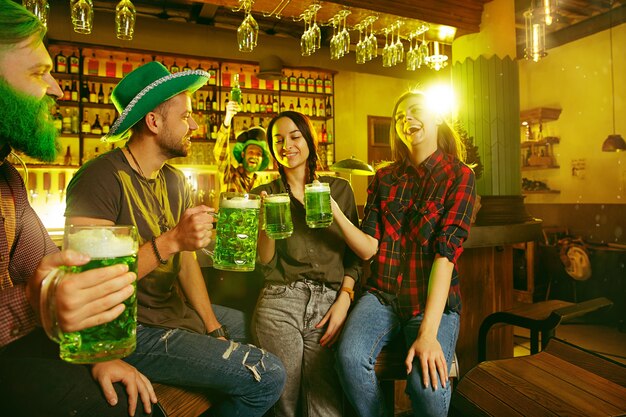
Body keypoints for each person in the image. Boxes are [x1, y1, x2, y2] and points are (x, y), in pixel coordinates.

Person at [64, 61, 286, 417]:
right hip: (132, 328)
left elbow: (186, 265)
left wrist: (213, 326)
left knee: (252, 324)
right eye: (186, 117)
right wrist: (171, 241)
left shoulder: (175, 181)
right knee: (269, 374)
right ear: (154, 122)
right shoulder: (98, 178)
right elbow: (89, 285)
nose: (195, 125)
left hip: (171, 314)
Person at [0, 1, 157, 416]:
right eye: (39, 72)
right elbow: (42, 291)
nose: (57, 89)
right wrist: (35, 302)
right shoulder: (100, 176)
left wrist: (96, 355)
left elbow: (53, 267)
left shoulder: (9, 180)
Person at [333, 90, 476, 417]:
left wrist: (428, 335)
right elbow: (369, 247)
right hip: (381, 296)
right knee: (349, 360)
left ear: (437, 116)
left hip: (431, 302)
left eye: (415, 111)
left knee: (427, 388)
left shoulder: (459, 176)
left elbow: (445, 255)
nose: (406, 119)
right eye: (399, 117)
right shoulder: (384, 178)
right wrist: (335, 212)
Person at [250, 111, 361, 417]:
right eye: (278, 140)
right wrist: (265, 223)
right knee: (283, 402)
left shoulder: (338, 190)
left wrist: (344, 298)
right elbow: (267, 263)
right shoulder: (267, 194)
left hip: (328, 303)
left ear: (309, 140)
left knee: (325, 405)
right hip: (280, 299)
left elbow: (356, 257)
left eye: (294, 136)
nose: (286, 145)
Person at [213, 100, 271, 193]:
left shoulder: (261, 184)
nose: (254, 156)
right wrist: (228, 119)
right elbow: (220, 153)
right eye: (251, 152)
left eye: (259, 154)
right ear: (243, 154)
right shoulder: (229, 174)